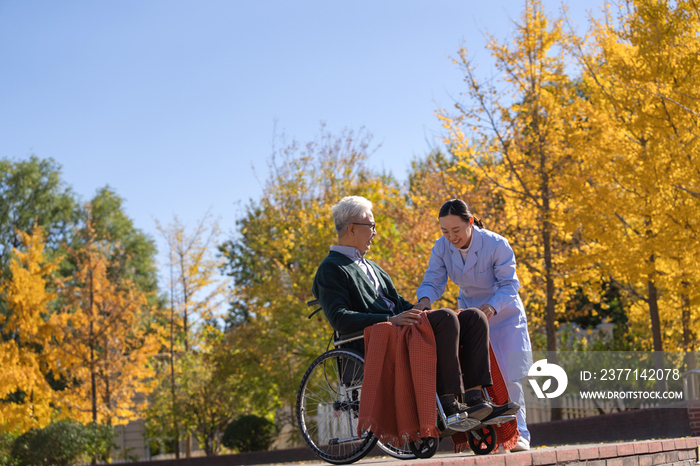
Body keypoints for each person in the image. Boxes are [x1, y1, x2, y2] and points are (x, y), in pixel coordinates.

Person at [312, 196, 517, 430]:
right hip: (379, 339)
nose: (375, 233)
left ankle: (475, 399)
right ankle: (450, 404)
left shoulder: (371, 267)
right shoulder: (331, 269)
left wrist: (420, 308)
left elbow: (398, 303)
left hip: (402, 328)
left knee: (473, 317)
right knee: (447, 317)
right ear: (352, 229)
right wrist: (390, 319)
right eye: (371, 226)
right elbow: (340, 318)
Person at [415, 199, 533, 451]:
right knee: (474, 375)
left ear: (470, 222)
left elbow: (509, 285)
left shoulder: (496, 243)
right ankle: (487, 432)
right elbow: (434, 279)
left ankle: (520, 434)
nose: (451, 237)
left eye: (456, 230)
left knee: (509, 376)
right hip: (471, 316)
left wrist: (492, 306)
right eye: (445, 232)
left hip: (503, 314)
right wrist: (423, 301)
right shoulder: (442, 247)